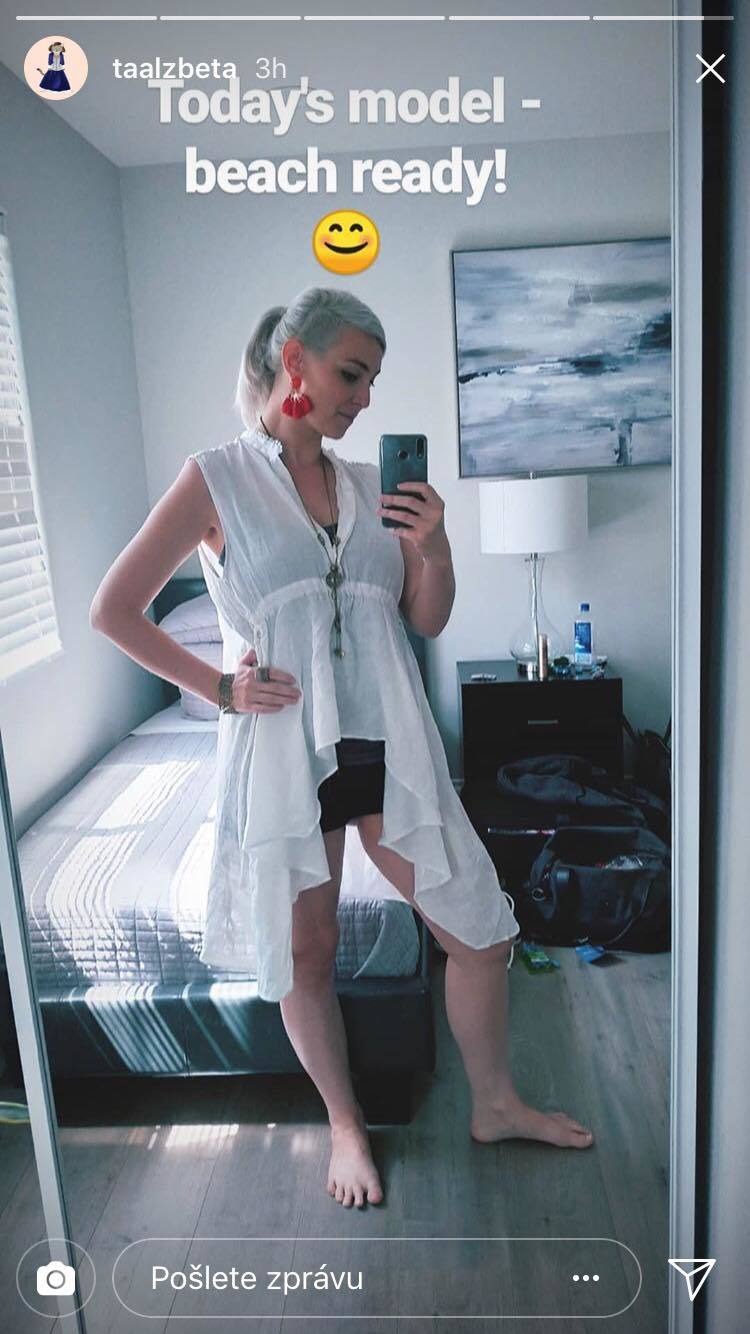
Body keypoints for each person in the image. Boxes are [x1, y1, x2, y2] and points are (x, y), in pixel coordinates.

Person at [90, 287, 593, 1211]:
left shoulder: (370, 485)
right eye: (350, 374)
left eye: (372, 380)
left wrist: (436, 550)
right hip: (285, 751)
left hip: (388, 740)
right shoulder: (215, 479)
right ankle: (346, 1125)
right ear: (294, 362)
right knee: (309, 952)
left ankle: (495, 1104)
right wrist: (218, 688)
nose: (363, 398)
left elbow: (424, 619)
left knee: (479, 929)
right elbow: (114, 609)